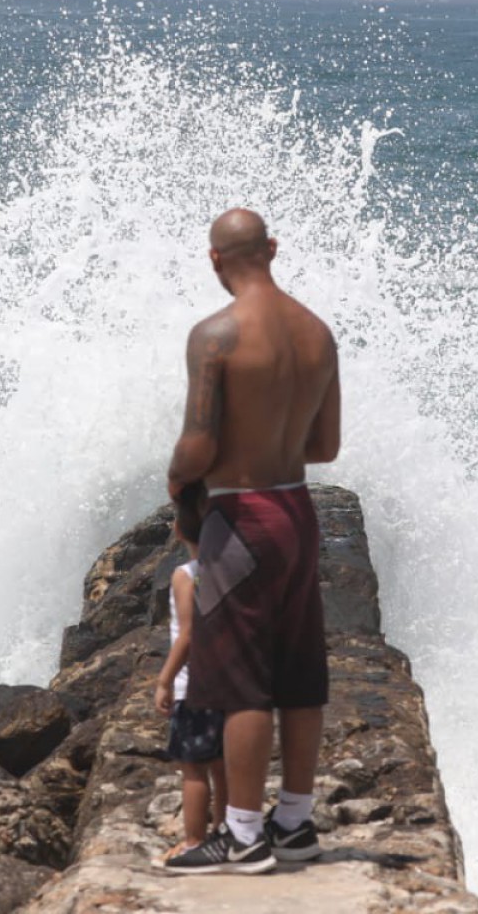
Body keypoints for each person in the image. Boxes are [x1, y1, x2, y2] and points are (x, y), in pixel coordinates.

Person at [162, 208, 341, 877]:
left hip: (241, 518)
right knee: (298, 677)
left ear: (214, 260)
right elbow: (325, 445)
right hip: (298, 510)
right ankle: (293, 821)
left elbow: (198, 444)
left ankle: (240, 834)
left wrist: (179, 478)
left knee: (238, 683)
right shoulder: (317, 332)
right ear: (272, 248)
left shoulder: (215, 335)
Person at [153, 500, 228, 865]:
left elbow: (187, 634)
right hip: (227, 683)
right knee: (221, 765)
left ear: (179, 530)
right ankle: (226, 831)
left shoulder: (186, 574)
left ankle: (194, 841)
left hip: (193, 688)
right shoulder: (229, 571)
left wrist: (165, 680)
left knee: (193, 770)